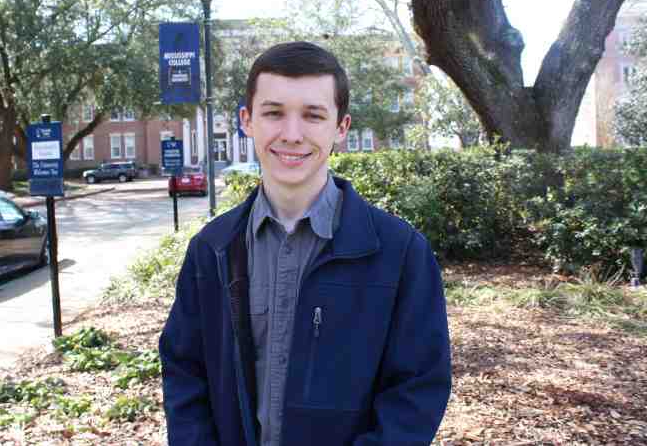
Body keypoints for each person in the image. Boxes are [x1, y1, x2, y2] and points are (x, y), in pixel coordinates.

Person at [159, 41, 451, 446]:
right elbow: (184, 372)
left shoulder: (401, 253)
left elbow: (417, 389)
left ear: (341, 128)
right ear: (247, 121)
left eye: (313, 115)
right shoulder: (212, 249)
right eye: (274, 113)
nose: (292, 135)